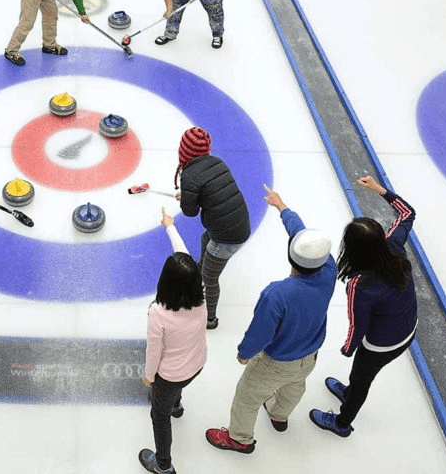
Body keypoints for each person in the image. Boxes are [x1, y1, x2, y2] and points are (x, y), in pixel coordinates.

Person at [205, 185, 336, 454]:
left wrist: (244, 354)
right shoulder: (329, 269)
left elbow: (261, 332)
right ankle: (279, 414)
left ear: (291, 256)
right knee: (294, 386)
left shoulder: (278, 294)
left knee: (246, 396)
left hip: (277, 361)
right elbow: (304, 239)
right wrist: (283, 208)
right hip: (310, 355)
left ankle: (239, 438)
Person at [310, 176, 417, 437]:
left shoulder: (361, 284)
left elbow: (358, 324)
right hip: (408, 327)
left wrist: (348, 348)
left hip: (382, 343)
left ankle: (342, 423)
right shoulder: (392, 246)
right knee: (359, 378)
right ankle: (347, 392)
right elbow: (408, 214)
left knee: (361, 381)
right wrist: (380, 190)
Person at [138, 208, 207, 474]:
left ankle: (163, 465)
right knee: (174, 393)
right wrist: (170, 227)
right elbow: (185, 257)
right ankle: (176, 404)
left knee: (159, 416)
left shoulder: (159, 313)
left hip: (170, 375)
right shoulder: (200, 297)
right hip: (196, 364)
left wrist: (148, 377)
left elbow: (154, 351)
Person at [175, 126, 250, 329]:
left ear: (184, 151)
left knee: (211, 278)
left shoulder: (189, 175)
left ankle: (210, 319)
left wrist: (187, 197)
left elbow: (189, 212)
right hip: (239, 222)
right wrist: (189, 194)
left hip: (228, 236)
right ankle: (199, 272)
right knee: (204, 239)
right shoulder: (218, 162)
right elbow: (212, 192)